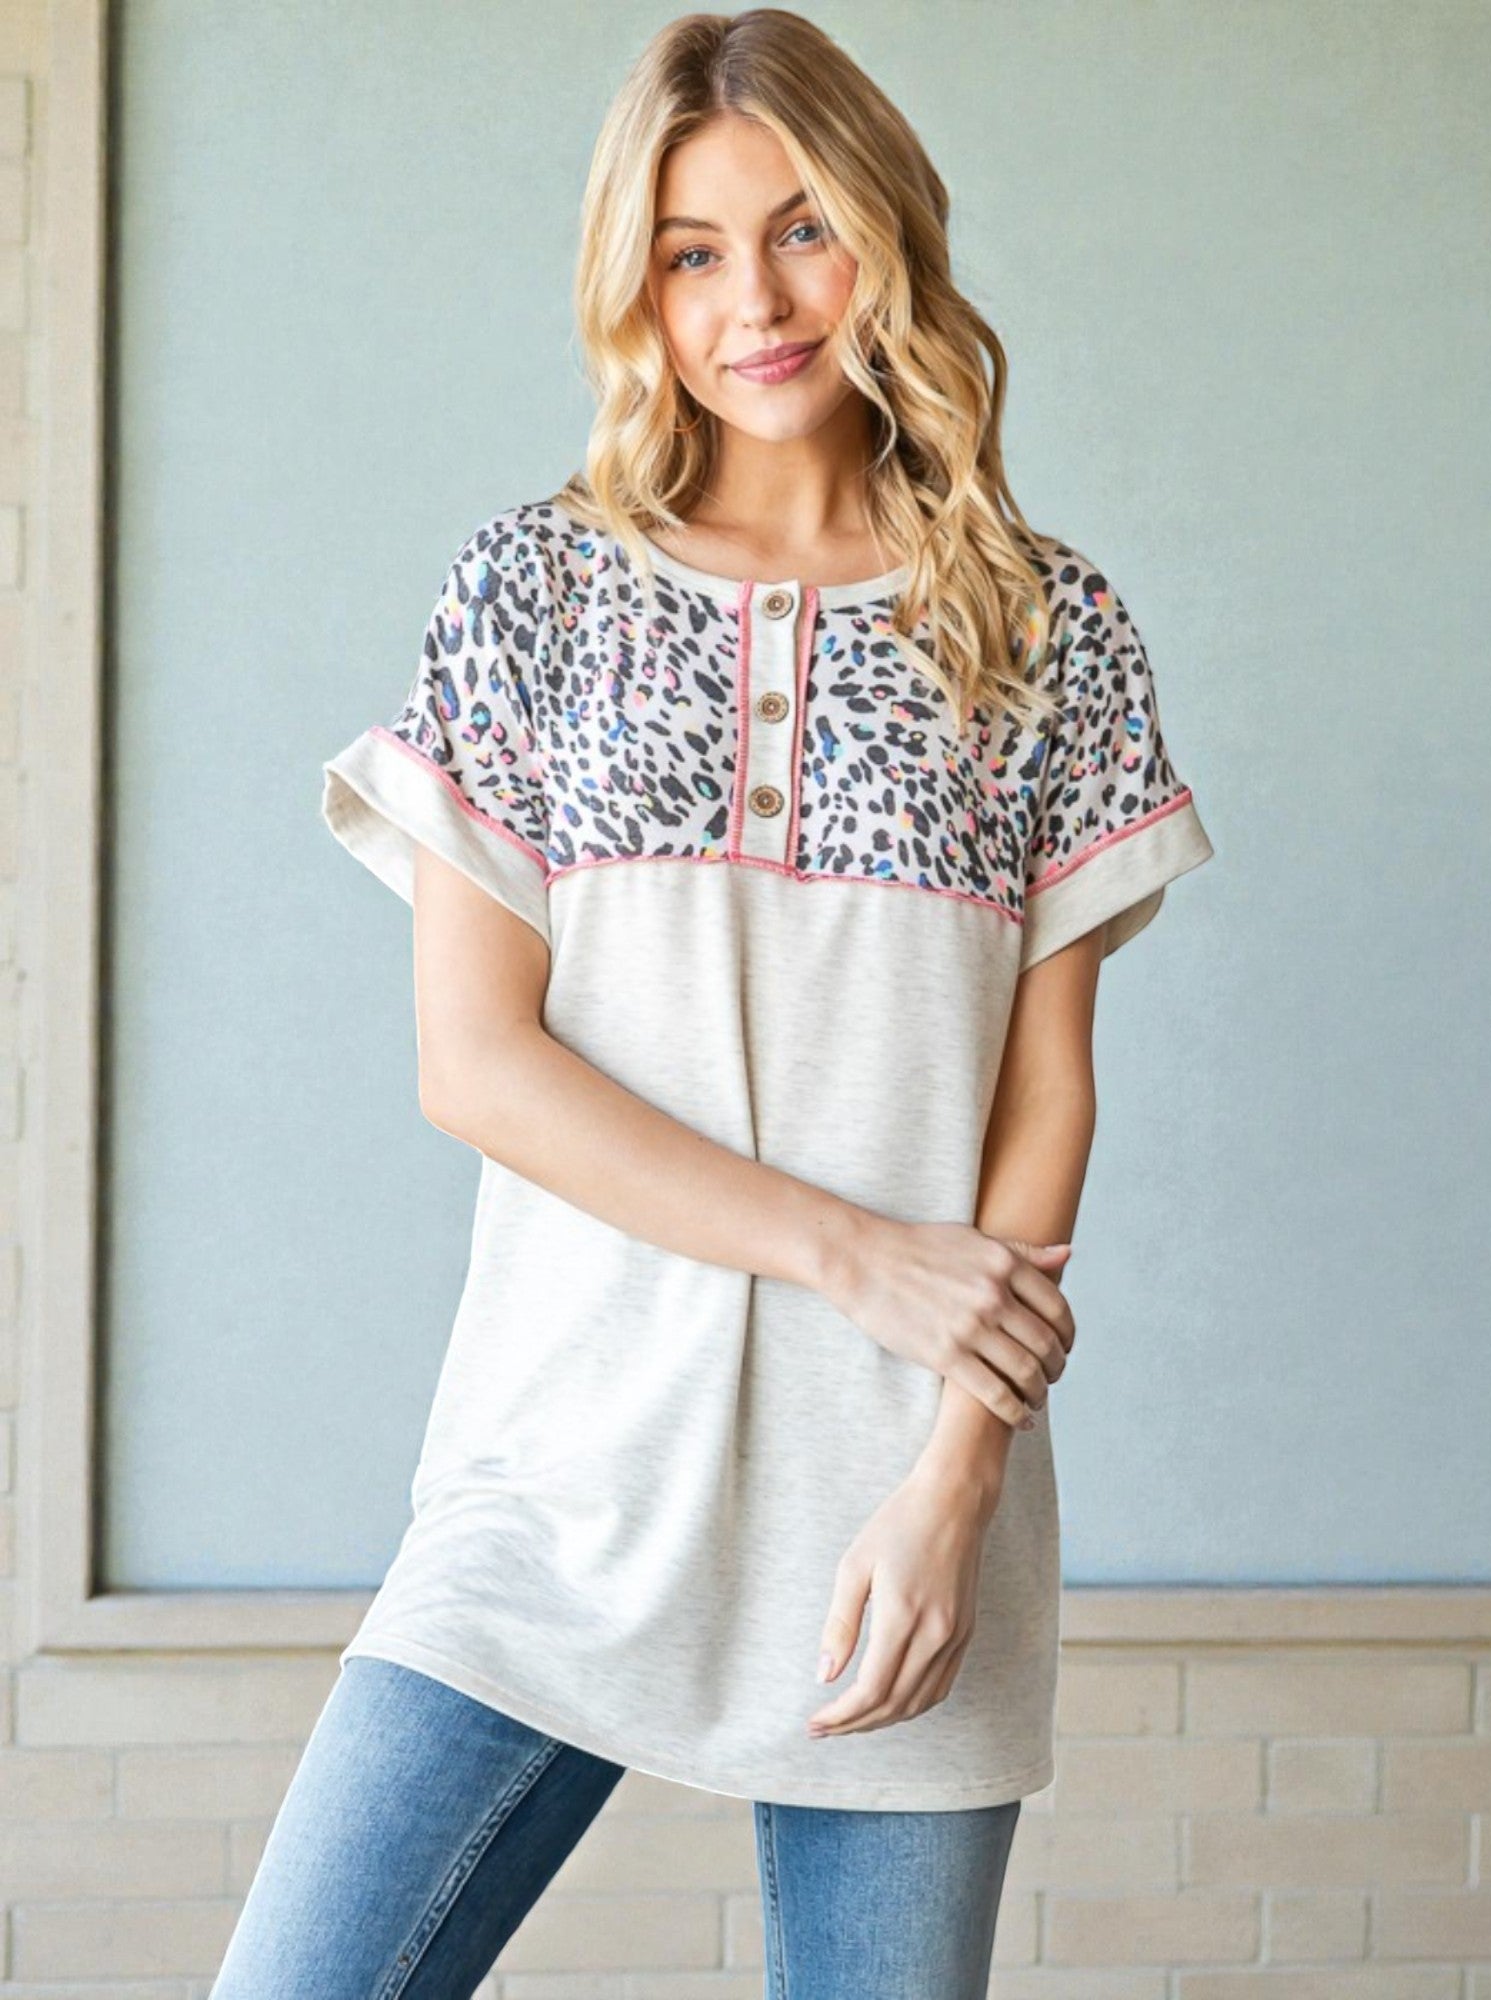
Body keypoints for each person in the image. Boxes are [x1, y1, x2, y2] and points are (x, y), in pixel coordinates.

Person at [211, 9, 1215, 1996]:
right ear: (631, 279)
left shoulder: (1043, 623)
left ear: (893, 242)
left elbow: (1043, 1094)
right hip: (555, 1459)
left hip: (899, 1484)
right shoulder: (532, 592)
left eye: (801, 229)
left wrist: (952, 1480)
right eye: (686, 248)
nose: (747, 298)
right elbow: (473, 1062)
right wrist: (858, 1254)